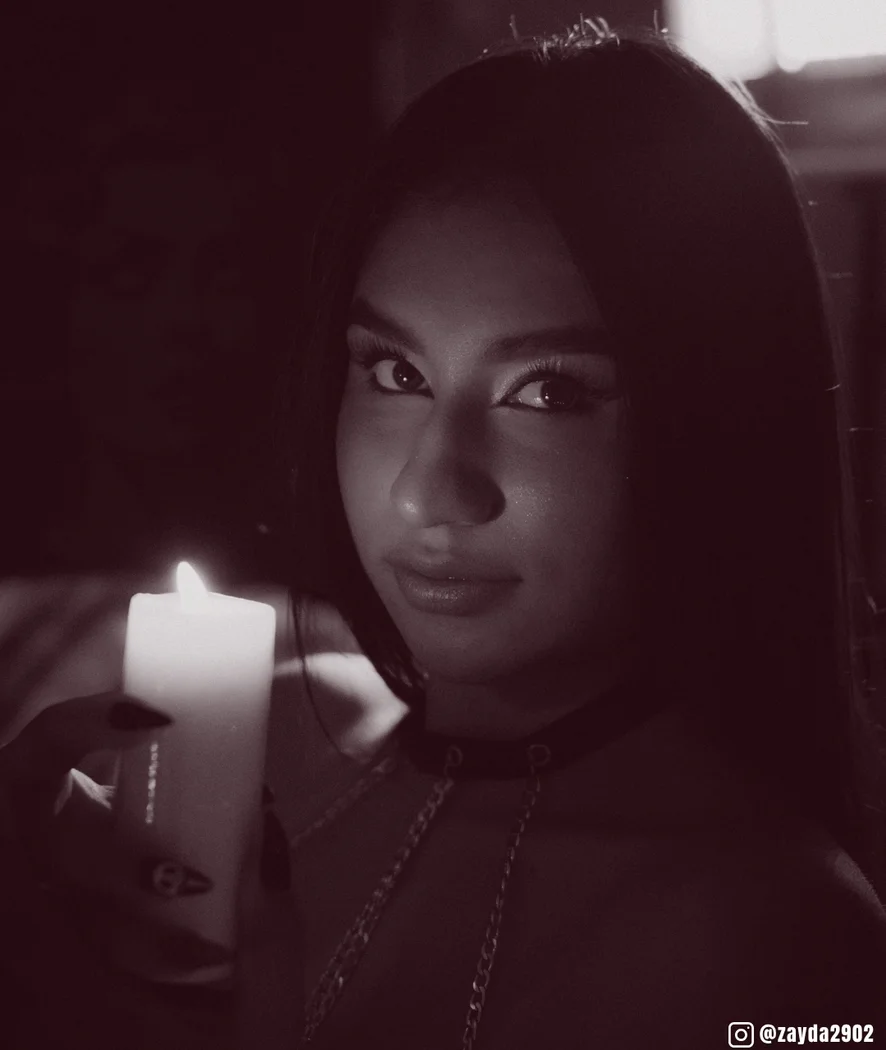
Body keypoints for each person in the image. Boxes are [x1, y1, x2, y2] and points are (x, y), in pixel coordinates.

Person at [2, 16, 886, 1050]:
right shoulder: (261, 745)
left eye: (547, 391)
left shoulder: (775, 941)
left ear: (719, 421)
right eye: (396, 372)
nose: (430, 492)